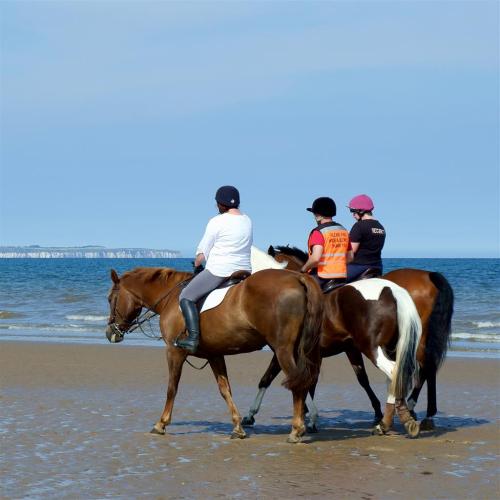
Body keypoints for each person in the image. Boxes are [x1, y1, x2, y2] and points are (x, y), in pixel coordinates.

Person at [175, 185, 253, 353]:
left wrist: (197, 265)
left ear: (221, 204)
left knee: (186, 296)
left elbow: (203, 252)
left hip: (220, 271)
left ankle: (193, 338)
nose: (217, 206)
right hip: (245, 270)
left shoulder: (217, 221)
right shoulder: (247, 219)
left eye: (217, 203)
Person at [300, 197, 352, 288]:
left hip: (322, 277)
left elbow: (315, 258)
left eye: (315, 214)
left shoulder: (319, 232)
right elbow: (350, 257)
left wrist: (303, 269)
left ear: (319, 215)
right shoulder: (344, 230)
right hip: (341, 277)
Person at [347, 194, 386, 282]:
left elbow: (351, 252)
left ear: (361, 211)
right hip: (377, 267)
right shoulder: (380, 227)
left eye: (353, 211)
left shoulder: (359, 226)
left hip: (358, 267)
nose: (352, 215)